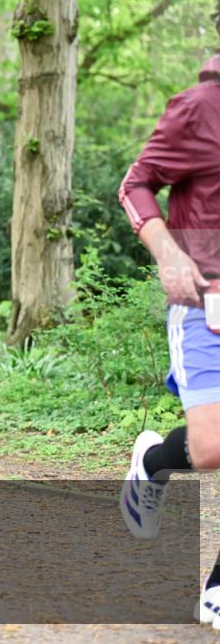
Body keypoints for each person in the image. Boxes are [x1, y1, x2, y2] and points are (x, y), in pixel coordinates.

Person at [117, 54, 220, 628]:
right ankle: (153, 461)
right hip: (206, 302)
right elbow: (135, 184)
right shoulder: (201, 109)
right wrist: (168, 253)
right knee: (210, 449)